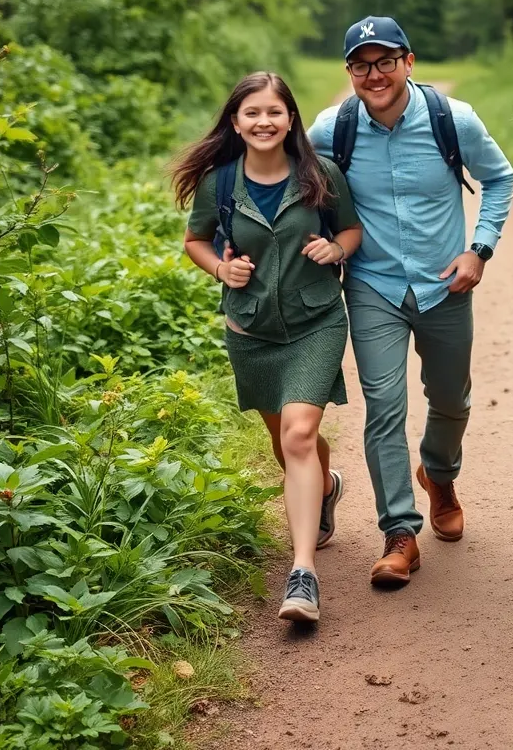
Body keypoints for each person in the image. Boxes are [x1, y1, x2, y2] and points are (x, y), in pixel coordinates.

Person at [308, 16, 513, 586]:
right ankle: (400, 533)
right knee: (384, 406)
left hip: (445, 283)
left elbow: (500, 179)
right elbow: (290, 179)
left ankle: (440, 474)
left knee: (452, 399)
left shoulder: (454, 120)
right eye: (360, 64)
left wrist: (480, 249)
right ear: (349, 71)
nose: (374, 74)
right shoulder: (332, 129)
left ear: (408, 61)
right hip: (373, 283)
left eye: (385, 61)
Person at [172, 72, 362, 625]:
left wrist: (334, 247)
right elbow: (195, 239)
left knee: (299, 433)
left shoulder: (320, 175)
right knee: (287, 445)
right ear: (236, 122)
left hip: (316, 322)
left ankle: (302, 574)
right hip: (251, 332)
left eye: (274, 112)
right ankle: (324, 488)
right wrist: (220, 267)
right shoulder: (219, 183)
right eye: (252, 113)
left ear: (290, 120)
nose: (263, 122)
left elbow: (351, 231)